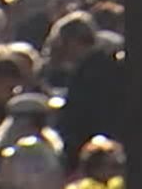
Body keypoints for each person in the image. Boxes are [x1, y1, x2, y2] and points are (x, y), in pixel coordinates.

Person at [45, 12, 123, 170]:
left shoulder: (90, 73)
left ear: (72, 42)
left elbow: (80, 115)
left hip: (91, 150)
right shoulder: (107, 66)